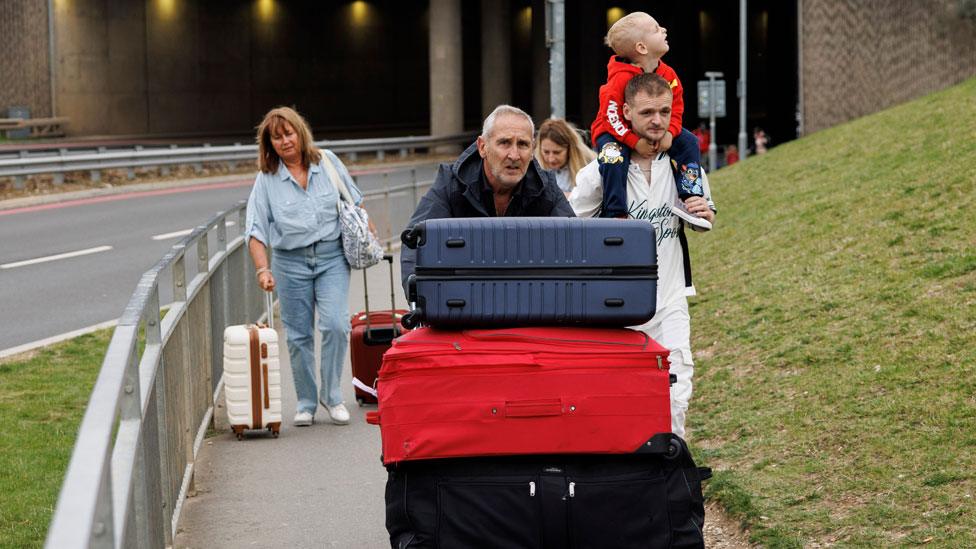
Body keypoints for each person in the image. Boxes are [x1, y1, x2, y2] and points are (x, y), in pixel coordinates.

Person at [570, 73, 716, 439]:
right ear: (627, 114)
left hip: (669, 300)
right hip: (614, 306)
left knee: (677, 383)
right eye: (647, 111)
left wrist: (704, 213)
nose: (657, 120)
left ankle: (670, 465)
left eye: (664, 111)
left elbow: (703, 221)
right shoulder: (602, 171)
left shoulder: (685, 166)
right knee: (617, 392)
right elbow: (568, 225)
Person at [245, 106, 367, 427]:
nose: (285, 141)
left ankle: (332, 396)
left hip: (331, 258)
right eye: (277, 137)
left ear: (300, 132)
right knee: (298, 336)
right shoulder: (267, 179)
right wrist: (263, 269)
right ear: (269, 145)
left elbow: (354, 201)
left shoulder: (326, 161)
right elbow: (255, 231)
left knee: (336, 325)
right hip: (289, 263)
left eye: (289, 133)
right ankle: (306, 402)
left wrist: (364, 231)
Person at [400, 105, 575, 290]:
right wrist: (418, 291)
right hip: (465, 298)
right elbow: (416, 241)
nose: (514, 155)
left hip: (527, 296)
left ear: (532, 151)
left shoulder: (547, 189)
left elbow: (575, 243)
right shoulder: (451, 183)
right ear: (482, 147)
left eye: (523, 144)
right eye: (505, 143)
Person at [589, 11, 710, 230]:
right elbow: (612, 115)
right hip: (614, 131)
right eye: (656, 29)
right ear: (642, 48)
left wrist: (670, 134)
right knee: (612, 158)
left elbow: (677, 108)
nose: (664, 30)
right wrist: (634, 142)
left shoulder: (669, 74)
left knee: (690, 143)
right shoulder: (619, 79)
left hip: (658, 130)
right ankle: (616, 212)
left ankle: (691, 197)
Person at [535, 118, 596, 196]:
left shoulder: (590, 166)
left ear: (570, 149)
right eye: (546, 152)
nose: (551, 159)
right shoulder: (534, 167)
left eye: (557, 152)